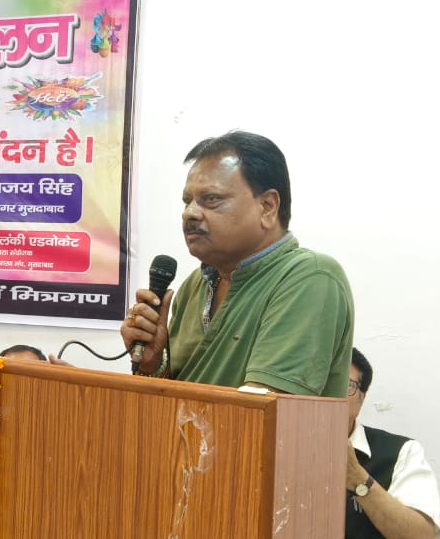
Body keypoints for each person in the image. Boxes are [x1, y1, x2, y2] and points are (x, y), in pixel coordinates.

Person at [120, 130, 354, 396]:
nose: (190, 213)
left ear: (267, 206)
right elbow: (175, 399)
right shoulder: (194, 286)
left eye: (211, 199)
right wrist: (152, 365)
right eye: (187, 201)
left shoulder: (310, 277)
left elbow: (263, 410)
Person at [345, 349, 440, 538]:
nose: (331, 395)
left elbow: (422, 535)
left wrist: (357, 478)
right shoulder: (285, 446)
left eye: (346, 385)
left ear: (362, 399)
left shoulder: (402, 452)